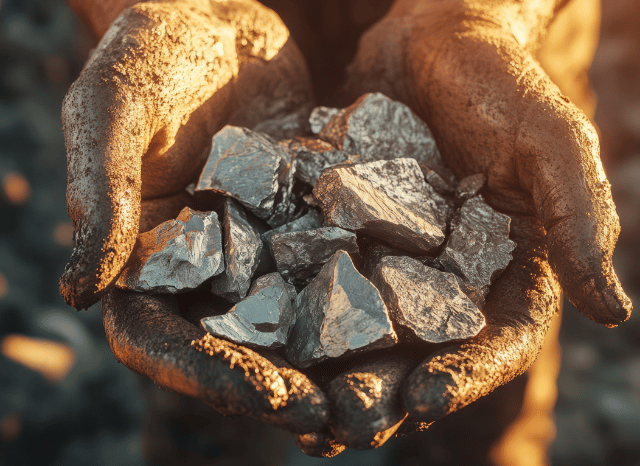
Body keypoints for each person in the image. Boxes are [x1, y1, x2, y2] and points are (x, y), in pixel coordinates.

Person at [59, 0, 632, 463]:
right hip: (204, 85)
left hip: (486, 62)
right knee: (210, 402)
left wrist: (484, 12)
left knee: (483, 414)